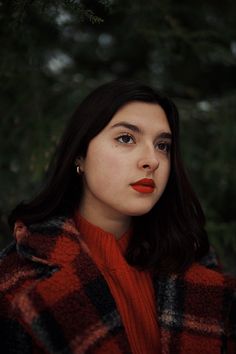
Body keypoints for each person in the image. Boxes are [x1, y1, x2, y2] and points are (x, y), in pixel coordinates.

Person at [0, 80, 235, 354]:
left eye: (162, 145)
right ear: (80, 156)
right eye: (126, 138)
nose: (152, 160)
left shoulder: (194, 261)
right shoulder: (16, 278)